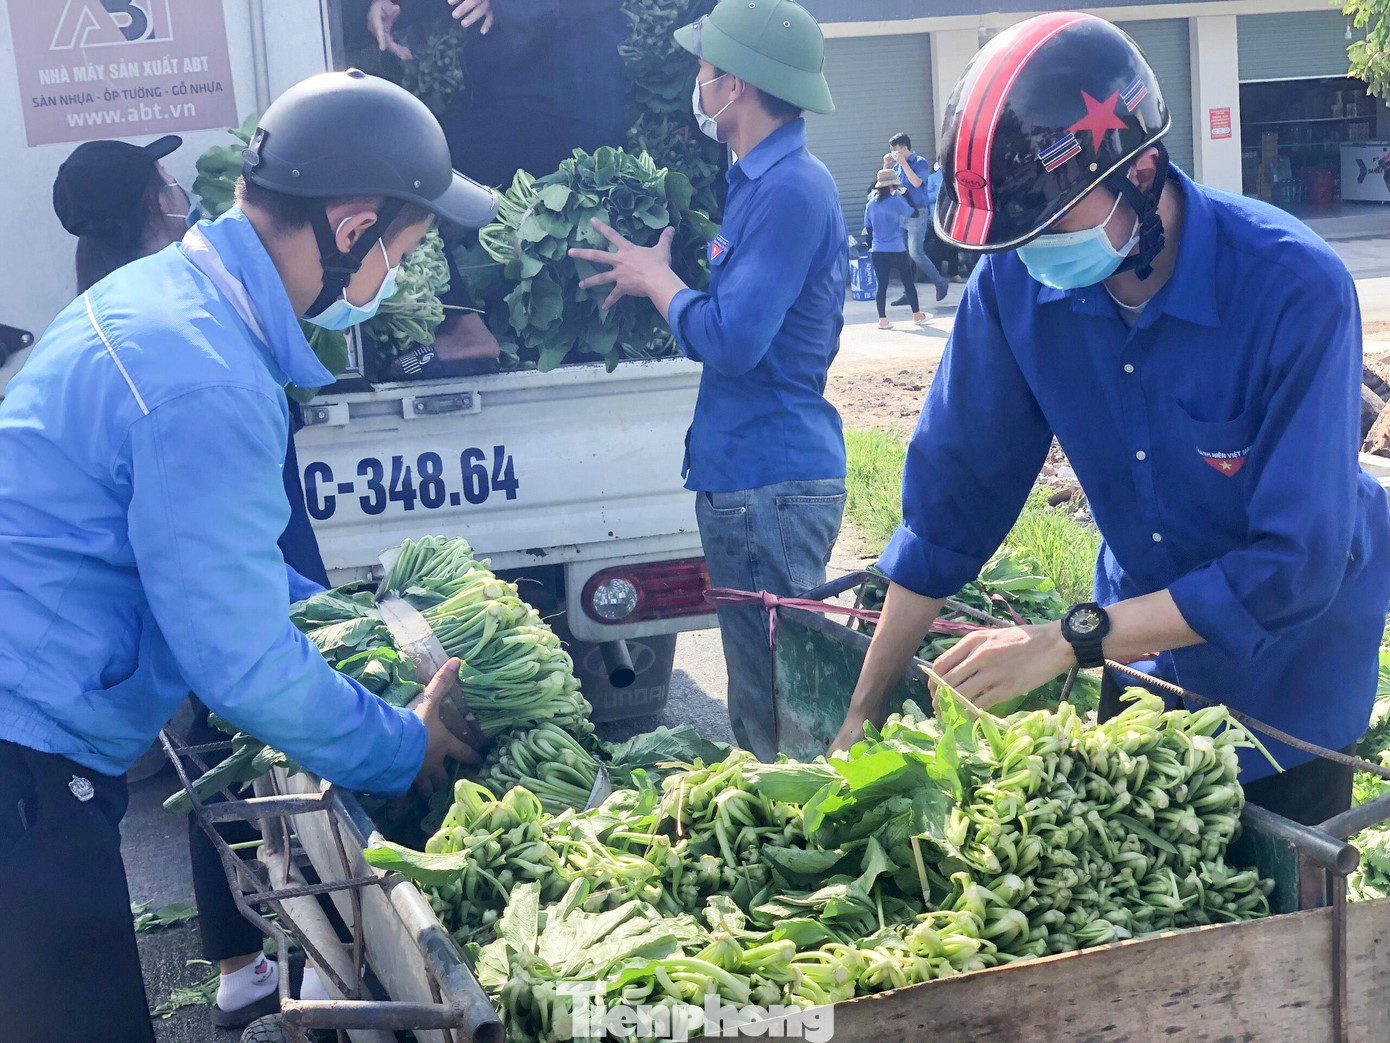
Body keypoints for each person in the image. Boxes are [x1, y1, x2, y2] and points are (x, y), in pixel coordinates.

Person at [0, 69, 498, 1043]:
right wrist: (405, 744)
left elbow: (214, 565)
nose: (391, 278)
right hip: (23, 767)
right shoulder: (206, 381)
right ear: (351, 225)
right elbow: (236, 661)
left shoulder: (167, 301)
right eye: (399, 249)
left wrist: (357, 632)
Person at [829, 13, 1390, 827]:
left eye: (1049, 222)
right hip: (1142, 657)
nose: (1031, 254)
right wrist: (864, 709)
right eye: (1015, 237)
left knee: (1273, 901)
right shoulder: (1018, 284)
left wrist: (1069, 639)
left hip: (1289, 679)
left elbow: (1296, 564)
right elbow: (953, 502)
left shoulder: (1292, 287)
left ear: (1144, 170)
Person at [51, 133, 319, 1028]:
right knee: (254, 728)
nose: (181, 191)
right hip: (207, 572)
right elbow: (225, 604)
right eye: (164, 182)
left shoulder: (117, 305)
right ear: (147, 206)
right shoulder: (175, 329)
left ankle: (247, 962)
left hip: (169, 604)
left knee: (226, 739)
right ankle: (286, 958)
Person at [567, 0, 847, 761]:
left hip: (769, 481)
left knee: (783, 720)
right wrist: (654, 279)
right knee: (764, 706)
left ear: (738, 85)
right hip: (756, 478)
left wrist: (660, 282)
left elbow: (735, 339)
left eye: (704, 68)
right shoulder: (761, 182)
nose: (697, 80)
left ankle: (803, 861)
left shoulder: (789, 188)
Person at [887, 132, 949, 305]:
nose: (894, 153)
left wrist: (903, 163)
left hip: (917, 213)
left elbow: (916, 183)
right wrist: (886, 165)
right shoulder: (898, 166)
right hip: (901, 214)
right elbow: (889, 185)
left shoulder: (919, 162)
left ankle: (940, 282)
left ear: (904, 148)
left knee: (916, 252)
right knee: (903, 256)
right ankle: (908, 293)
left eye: (895, 150)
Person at [864, 168, 927, 329]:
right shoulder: (897, 200)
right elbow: (913, 213)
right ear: (892, 185)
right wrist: (906, 195)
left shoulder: (871, 204)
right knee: (907, 282)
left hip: (878, 250)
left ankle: (882, 320)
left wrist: (873, 244)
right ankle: (917, 314)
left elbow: (868, 228)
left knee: (882, 285)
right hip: (897, 249)